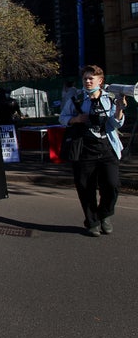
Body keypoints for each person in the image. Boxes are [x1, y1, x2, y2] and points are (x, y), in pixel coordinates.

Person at [59, 65, 126, 237]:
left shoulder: (110, 98)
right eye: (85, 79)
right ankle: (92, 221)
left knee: (112, 185)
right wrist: (77, 119)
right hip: (84, 150)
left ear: (100, 80)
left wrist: (119, 108)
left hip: (107, 148)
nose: (88, 81)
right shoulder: (77, 97)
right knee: (85, 187)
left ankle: (105, 214)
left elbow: (116, 123)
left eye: (91, 78)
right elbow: (62, 118)